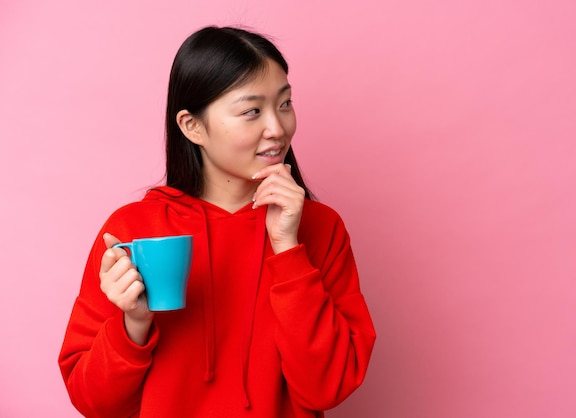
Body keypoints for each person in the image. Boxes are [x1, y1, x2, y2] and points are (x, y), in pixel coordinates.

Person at [58, 25, 376, 418]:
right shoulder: (131, 233)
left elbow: (329, 387)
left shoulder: (321, 228)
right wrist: (133, 324)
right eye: (252, 111)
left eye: (285, 104)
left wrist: (288, 250)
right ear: (192, 126)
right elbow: (93, 403)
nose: (277, 129)